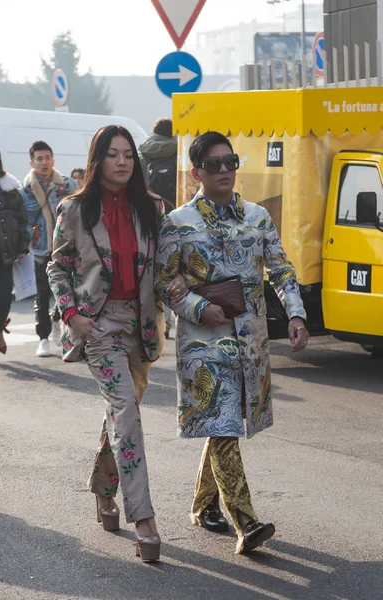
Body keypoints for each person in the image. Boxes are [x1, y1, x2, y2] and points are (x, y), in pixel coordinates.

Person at [155, 131, 309, 554]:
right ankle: (246, 520)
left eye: (231, 161)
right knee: (222, 421)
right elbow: (164, 283)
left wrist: (295, 313)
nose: (225, 170)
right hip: (204, 346)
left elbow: (280, 269)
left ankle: (204, 502)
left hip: (250, 344)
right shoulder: (178, 223)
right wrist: (197, 308)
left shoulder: (258, 217)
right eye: (214, 164)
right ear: (196, 172)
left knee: (224, 423)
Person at [47, 124, 178, 562]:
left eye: (128, 155)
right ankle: (144, 518)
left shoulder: (153, 208)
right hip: (99, 327)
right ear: (97, 160)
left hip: (142, 327)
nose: (123, 162)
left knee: (123, 416)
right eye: (113, 154)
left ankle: (103, 489)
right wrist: (72, 315)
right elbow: (57, 267)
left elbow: (167, 267)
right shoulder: (75, 209)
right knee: (126, 411)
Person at [20, 141, 76, 357]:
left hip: (66, 247)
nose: (44, 163)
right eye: (39, 159)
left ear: (53, 160)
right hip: (39, 249)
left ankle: (56, 321)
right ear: (32, 163)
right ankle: (43, 337)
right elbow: (21, 220)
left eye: (47, 158)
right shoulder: (24, 191)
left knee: (67, 291)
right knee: (42, 295)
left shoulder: (68, 185)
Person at [0, 143, 29, 365]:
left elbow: (22, 220)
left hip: (3, 251)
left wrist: (23, 247)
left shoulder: (8, 186)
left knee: (3, 296)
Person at [139, 118, 177, 339]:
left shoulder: (142, 153)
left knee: (148, 267)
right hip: (173, 213)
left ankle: (150, 318)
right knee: (171, 267)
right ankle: (168, 321)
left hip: (148, 214)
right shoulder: (178, 151)